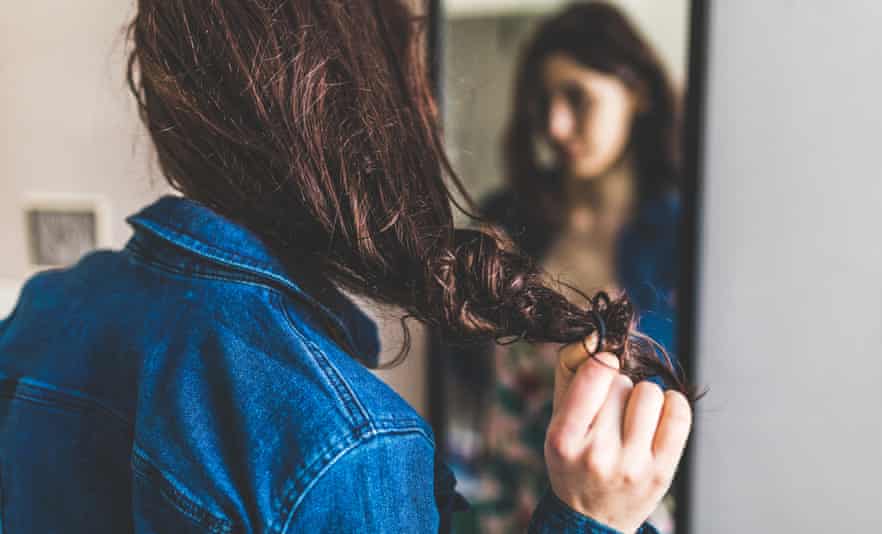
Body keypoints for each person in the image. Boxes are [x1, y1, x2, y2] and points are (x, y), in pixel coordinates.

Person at [0, 1, 691, 533]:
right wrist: (586, 518)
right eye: (409, 55)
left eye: (579, 100)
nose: (556, 126)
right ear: (358, 96)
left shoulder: (47, 309)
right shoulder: (345, 444)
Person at [471, 3, 685, 532]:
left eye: (577, 97)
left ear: (636, 92)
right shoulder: (506, 222)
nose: (555, 125)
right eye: (542, 103)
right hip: (502, 499)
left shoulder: (683, 238)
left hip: (622, 509)